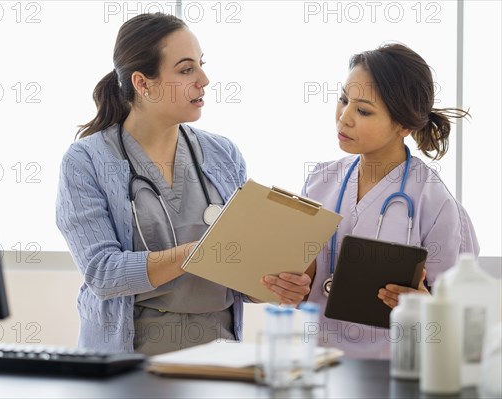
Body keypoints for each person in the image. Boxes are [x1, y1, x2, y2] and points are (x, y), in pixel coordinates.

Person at [56, 13, 310, 355]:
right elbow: (102, 273)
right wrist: (197, 254)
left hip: (217, 354)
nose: (204, 79)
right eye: (186, 69)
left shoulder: (222, 153)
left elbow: (239, 275)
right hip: (129, 358)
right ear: (144, 84)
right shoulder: (86, 161)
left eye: (201, 65)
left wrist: (273, 284)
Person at [302, 43, 479, 359]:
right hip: (318, 363)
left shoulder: (434, 201)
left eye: (364, 110)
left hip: (393, 368)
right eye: (343, 100)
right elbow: (302, 282)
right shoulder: (319, 181)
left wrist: (425, 305)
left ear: (404, 125)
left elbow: (461, 318)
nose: (344, 118)